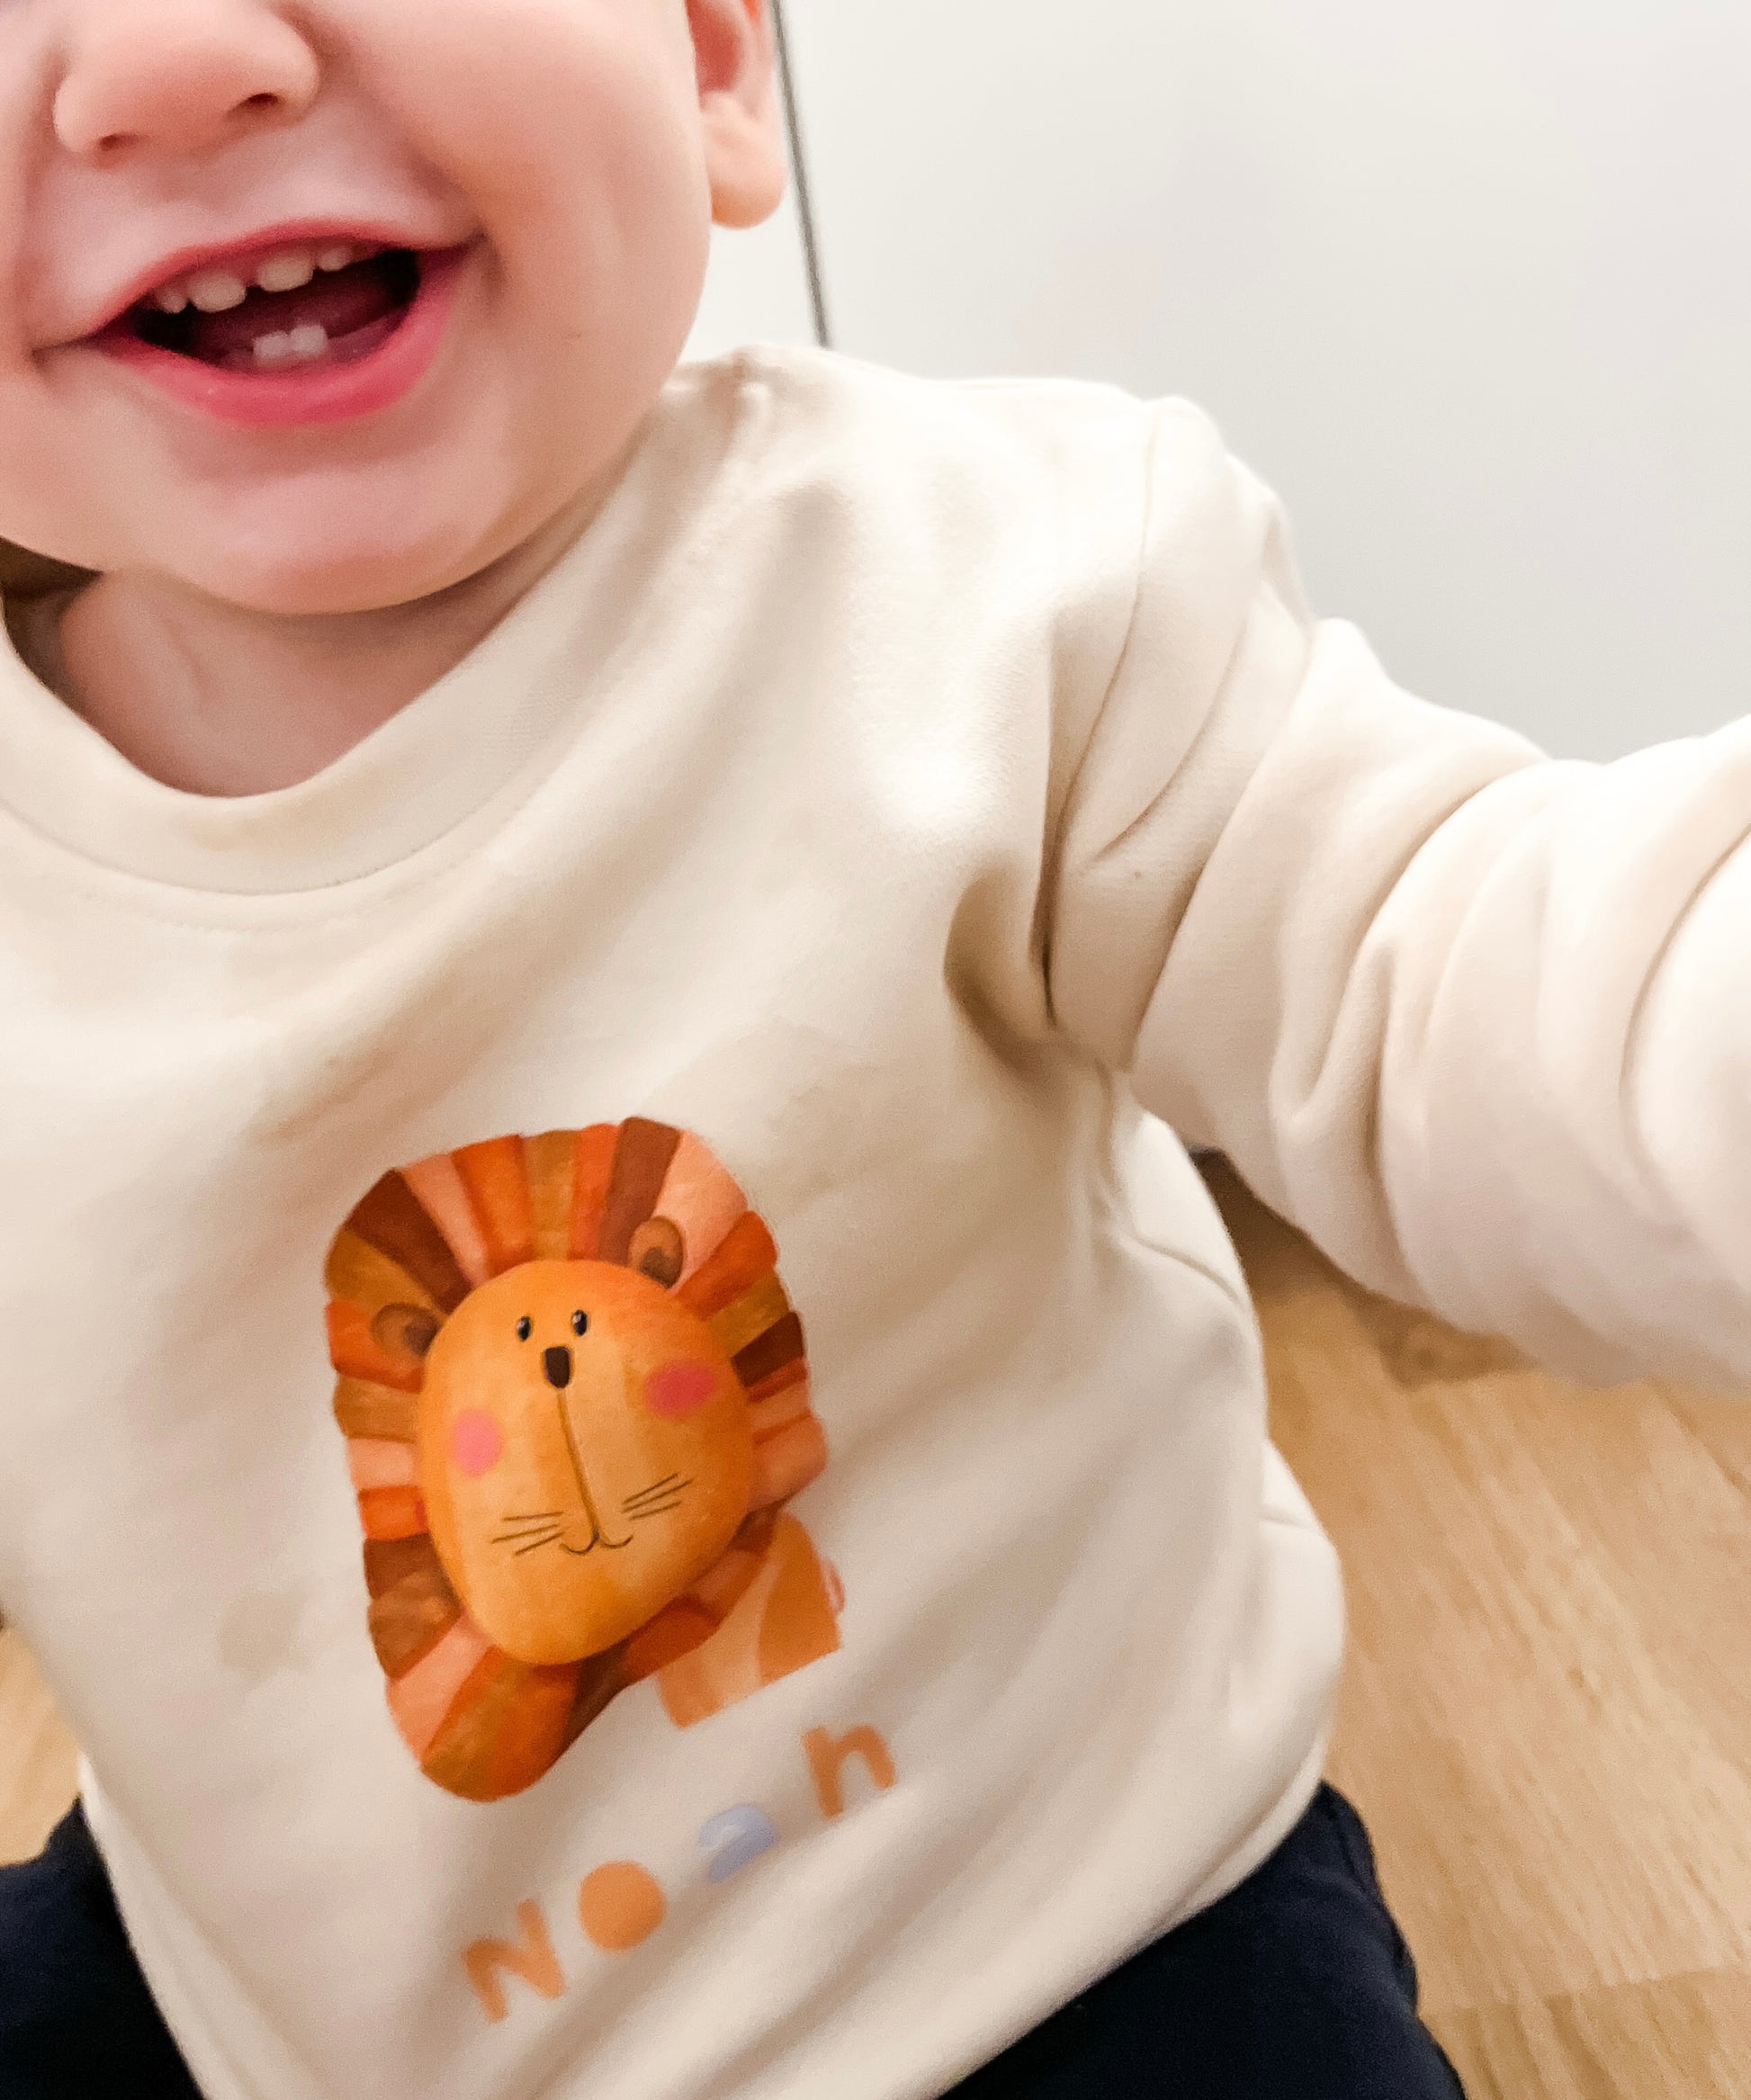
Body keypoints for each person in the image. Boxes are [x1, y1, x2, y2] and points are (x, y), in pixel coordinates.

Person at [0, 3, 1742, 2096]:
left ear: (718, 64)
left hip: (1065, 1918)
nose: (176, 58)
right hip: (275, 1978)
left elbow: (1439, 971)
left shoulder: (991, 587)